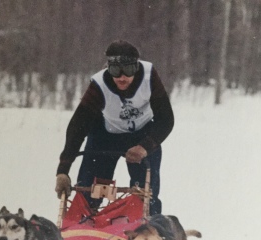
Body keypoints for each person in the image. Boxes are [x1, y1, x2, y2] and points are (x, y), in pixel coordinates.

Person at [55, 40, 174, 215]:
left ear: (137, 67)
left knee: (146, 194)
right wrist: (63, 170)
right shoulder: (99, 85)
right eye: (115, 70)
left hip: (143, 135)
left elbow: (166, 119)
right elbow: (78, 126)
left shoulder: (149, 76)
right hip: (106, 136)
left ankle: (150, 233)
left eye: (128, 70)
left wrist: (145, 147)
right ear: (108, 68)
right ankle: (82, 227)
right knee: (89, 190)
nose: (122, 77)